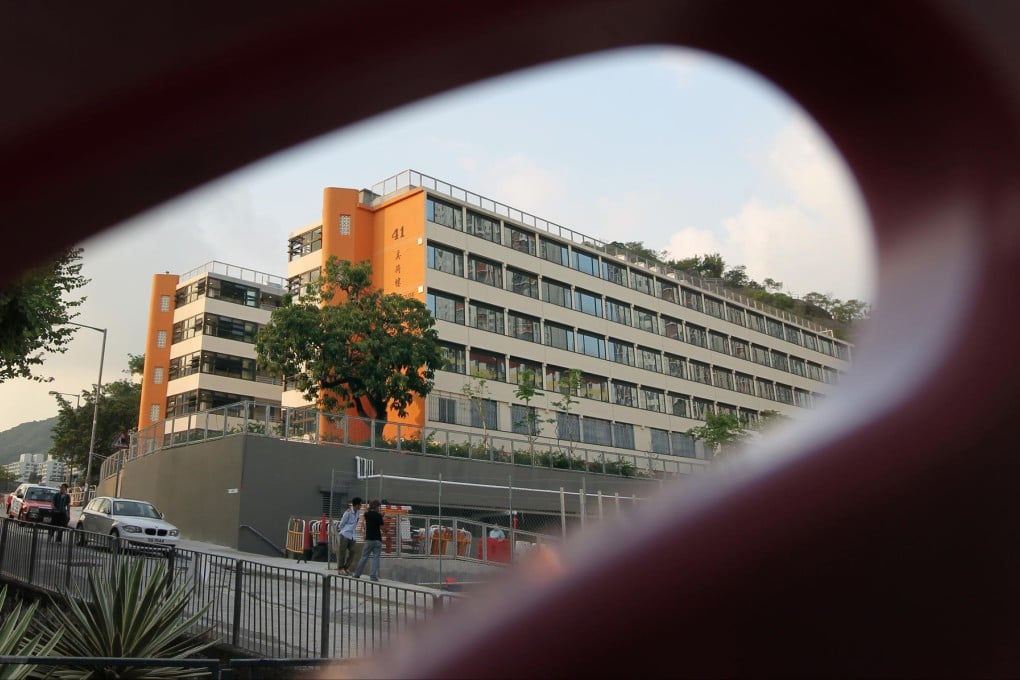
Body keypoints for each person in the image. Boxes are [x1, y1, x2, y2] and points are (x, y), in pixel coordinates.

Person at [353, 499, 383, 582]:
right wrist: (381, 517)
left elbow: (369, 518)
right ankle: (373, 576)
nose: (379, 508)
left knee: (364, 557)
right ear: (376, 507)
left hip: (369, 539)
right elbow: (382, 527)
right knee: (376, 558)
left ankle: (357, 574)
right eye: (378, 507)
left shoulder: (367, 514)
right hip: (377, 539)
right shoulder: (379, 515)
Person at [336, 497, 362, 575]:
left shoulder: (358, 512)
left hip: (352, 535)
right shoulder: (348, 512)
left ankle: (346, 567)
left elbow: (356, 521)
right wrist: (343, 531)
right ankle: (340, 568)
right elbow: (342, 524)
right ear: (356, 505)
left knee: (353, 551)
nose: (361, 506)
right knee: (342, 552)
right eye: (360, 504)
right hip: (345, 534)